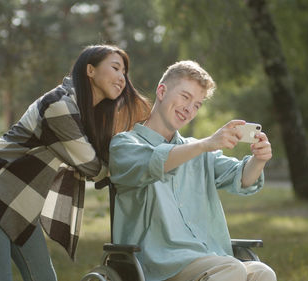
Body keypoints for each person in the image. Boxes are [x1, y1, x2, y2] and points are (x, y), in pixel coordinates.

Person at [0, 45, 150, 281]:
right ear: (90, 70)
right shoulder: (59, 106)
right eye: (116, 68)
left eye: (125, 72)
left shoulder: (86, 114)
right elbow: (90, 165)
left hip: (18, 197)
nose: (122, 78)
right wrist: (133, 169)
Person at [109, 60, 276, 281]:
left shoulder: (199, 149)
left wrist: (259, 159)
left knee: (263, 273)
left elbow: (242, 178)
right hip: (156, 263)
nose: (189, 109)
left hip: (207, 259)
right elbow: (155, 162)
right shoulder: (125, 144)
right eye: (185, 97)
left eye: (197, 104)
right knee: (231, 269)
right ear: (162, 91)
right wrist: (206, 144)